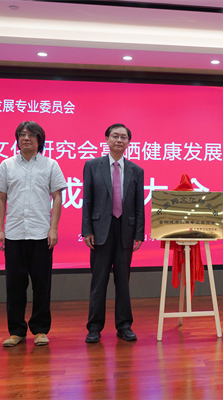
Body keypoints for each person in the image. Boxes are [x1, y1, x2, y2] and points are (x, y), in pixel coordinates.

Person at [0, 121, 67, 347]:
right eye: (22, 134)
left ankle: (40, 330)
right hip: (14, 234)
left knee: (42, 285)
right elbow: (0, 198)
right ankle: (16, 331)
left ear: (39, 140)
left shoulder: (50, 165)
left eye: (32, 135)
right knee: (15, 286)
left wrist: (53, 228)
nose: (26, 138)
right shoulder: (6, 165)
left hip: (41, 234)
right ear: (17, 139)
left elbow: (57, 197)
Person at [82, 123, 145, 343]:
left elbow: (139, 205)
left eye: (124, 137)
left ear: (129, 142)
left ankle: (124, 326)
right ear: (107, 139)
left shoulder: (136, 170)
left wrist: (139, 233)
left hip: (125, 230)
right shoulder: (92, 165)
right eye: (115, 136)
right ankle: (94, 328)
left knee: (123, 282)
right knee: (98, 281)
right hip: (100, 231)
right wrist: (87, 230)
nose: (119, 140)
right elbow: (87, 200)